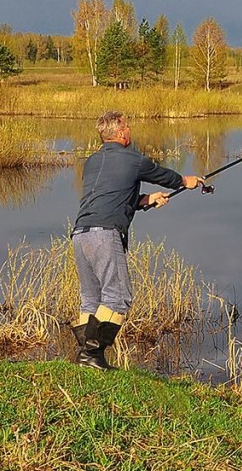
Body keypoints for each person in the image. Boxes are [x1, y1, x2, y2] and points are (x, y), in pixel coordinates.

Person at [70, 110, 204, 370]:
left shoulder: (92, 162)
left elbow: (112, 196)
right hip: (105, 234)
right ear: (121, 132)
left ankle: (85, 356)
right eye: (128, 126)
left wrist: (146, 200)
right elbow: (164, 176)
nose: (130, 130)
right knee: (118, 298)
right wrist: (185, 181)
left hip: (80, 234)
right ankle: (92, 353)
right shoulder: (133, 159)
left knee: (90, 299)